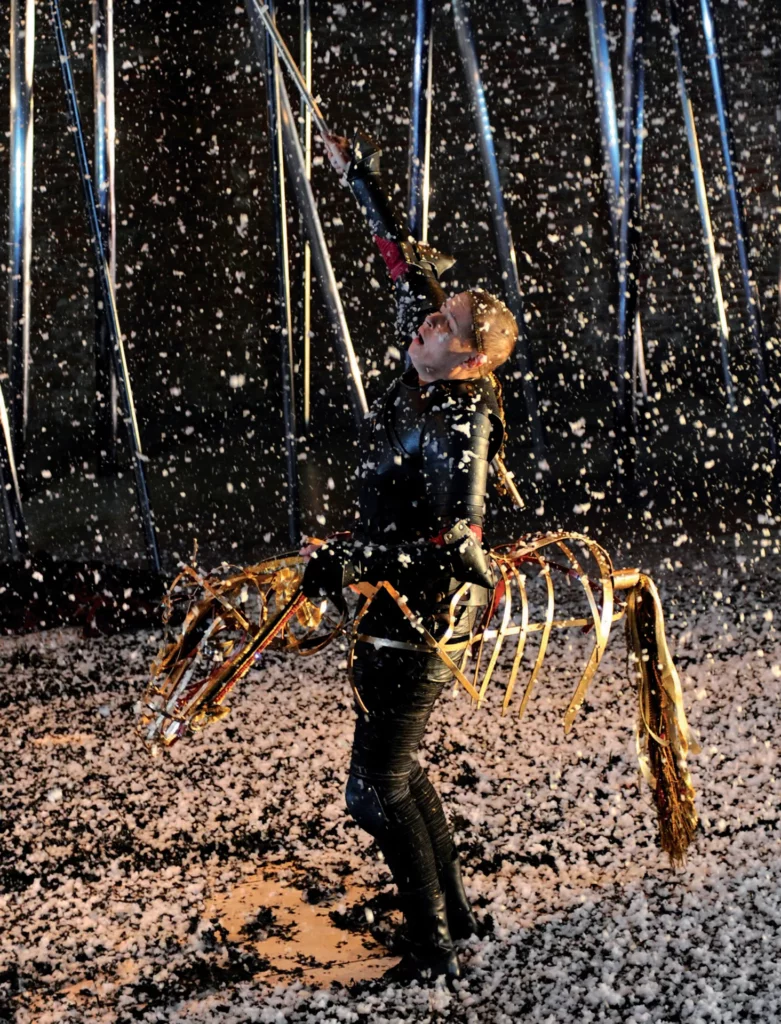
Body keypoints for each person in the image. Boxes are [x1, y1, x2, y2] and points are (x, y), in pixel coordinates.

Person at [300, 130, 520, 985]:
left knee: (372, 789)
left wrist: (352, 555)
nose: (424, 319)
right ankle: (455, 918)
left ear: (464, 357)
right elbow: (401, 264)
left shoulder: (457, 421)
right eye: (433, 315)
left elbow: (453, 547)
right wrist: (358, 173)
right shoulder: (427, 365)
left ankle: (430, 946)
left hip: (419, 624)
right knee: (397, 771)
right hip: (396, 616)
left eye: (442, 324)